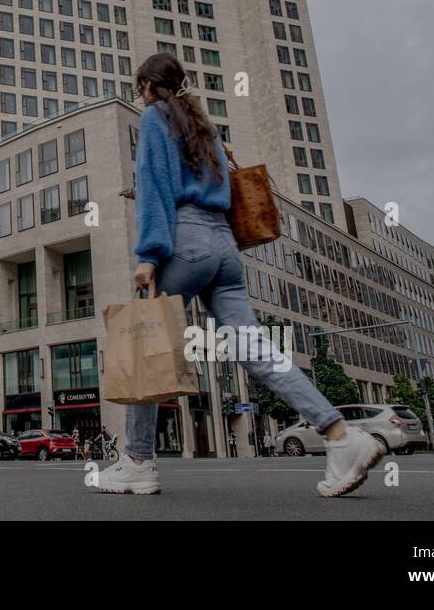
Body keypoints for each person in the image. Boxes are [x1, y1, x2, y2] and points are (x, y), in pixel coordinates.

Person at [97, 53, 383, 497]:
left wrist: (149, 254)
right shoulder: (204, 128)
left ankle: (137, 461)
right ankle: (341, 435)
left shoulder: (155, 118)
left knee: (143, 345)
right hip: (225, 249)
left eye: (140, 87)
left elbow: (154, 184)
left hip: (186, 243)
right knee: (255, 348)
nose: (141, 94)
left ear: (149, 87)